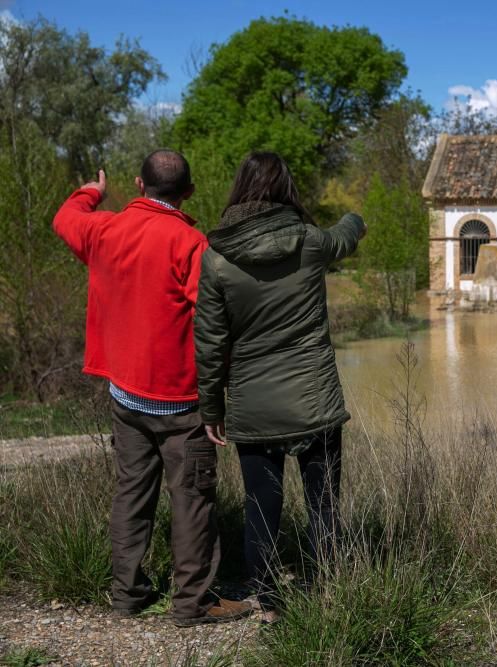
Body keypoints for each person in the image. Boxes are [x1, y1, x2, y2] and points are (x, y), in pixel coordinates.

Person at [52, 151, 252, 627]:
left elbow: (65, 218)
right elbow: (214, 326)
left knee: (132, 492)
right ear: (189, 192)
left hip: (125, 394)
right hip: (182, 401)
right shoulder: (191, 243)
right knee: (192, 499)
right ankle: (193, 603)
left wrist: (92, 191)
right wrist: (220, 390)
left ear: (139, 183)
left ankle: (128, 593)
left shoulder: (103, 229)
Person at [194, 152, 366, 623]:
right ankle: (328, 590)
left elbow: (210, 342)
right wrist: (357, 215)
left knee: (260, 507)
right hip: (315, 403)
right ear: (286, 190)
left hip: (253, 404)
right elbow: (345, 238)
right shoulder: (310, 242)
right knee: (324, 506)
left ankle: (268, 600)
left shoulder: (216, 259)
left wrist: (211, 408)